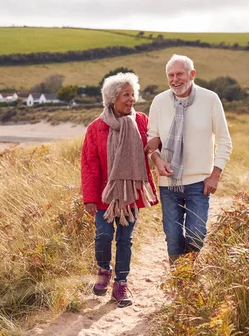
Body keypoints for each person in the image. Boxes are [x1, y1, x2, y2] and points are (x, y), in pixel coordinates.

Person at [145, 54, 232, 264]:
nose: (175, 79)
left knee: (196, 234)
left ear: (192, 74)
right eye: (170, 75)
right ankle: (179, 281)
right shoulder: (159, 101)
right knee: (173, 237)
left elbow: (224, 141)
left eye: (179, 74)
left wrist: (215, 176)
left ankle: (189, 272)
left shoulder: (210, 99)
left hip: (199, 183)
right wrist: (157, 161)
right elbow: (151, 142)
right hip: (168, 183)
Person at [81, 72, 158, 307]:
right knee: (103, 235)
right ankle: (104, 271)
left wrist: (158, 144)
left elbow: (155, 144)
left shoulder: (143, 122)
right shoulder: (96, 128)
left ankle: (121, 284)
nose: (131, 99)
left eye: (133, 94)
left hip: (130, 194)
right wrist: (90, 197)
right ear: (112, 98)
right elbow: (89, 163)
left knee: (125, 239)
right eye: (126, 94)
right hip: (105, 195)